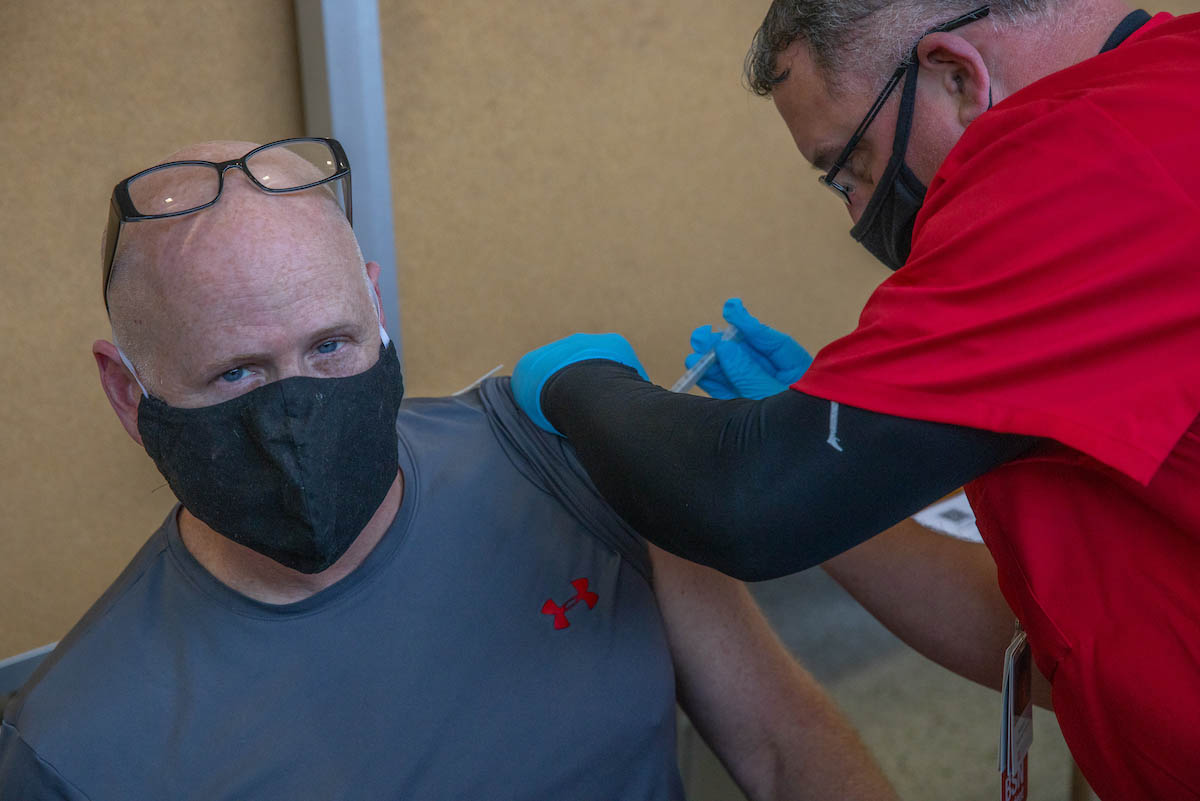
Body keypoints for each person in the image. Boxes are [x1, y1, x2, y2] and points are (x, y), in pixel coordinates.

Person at [0, 139, 897, 801]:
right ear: (129, 392)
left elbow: (785, 748)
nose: (294, 413)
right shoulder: (76, 749)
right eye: (236, 373)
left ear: (376, 308)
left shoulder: (571, 468)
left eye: (331, 345)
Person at [509, 3, 1200, 800]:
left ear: (954, 78)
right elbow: (1060, 635)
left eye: (854, 166)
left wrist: (577, 382)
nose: (856, 209)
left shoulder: (1083, 163)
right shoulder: (1168, 90)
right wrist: (839, 484)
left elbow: (743, 498)